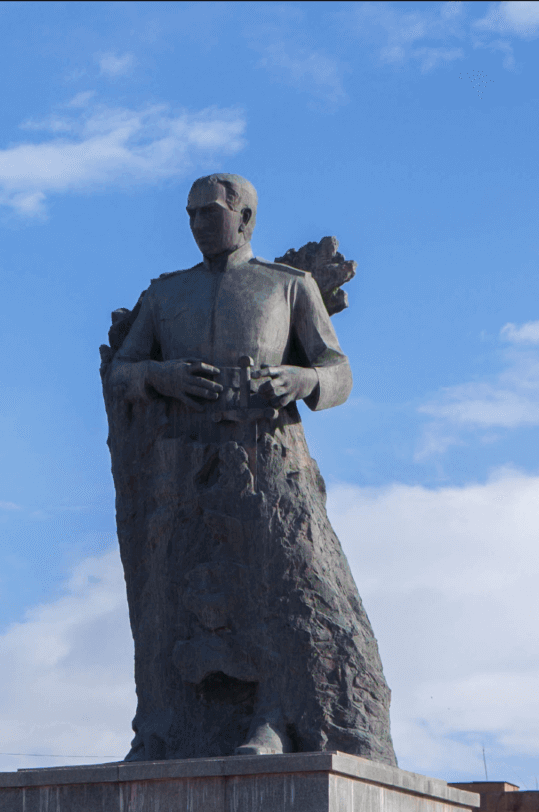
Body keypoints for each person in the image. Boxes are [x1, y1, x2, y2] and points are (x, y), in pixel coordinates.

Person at [103, 172, 395, 763]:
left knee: (281, 592)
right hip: (181, 465)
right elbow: (121, 372)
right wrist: (162, 376)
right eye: (189, 214)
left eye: (208, 213)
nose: (196, 224)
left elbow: (338, 371)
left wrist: (302, 379)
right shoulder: (165, 296)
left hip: (267, 461)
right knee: (172, 597)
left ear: (245, 219)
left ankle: (275, 718)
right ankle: (161, 727)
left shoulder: (289, 287)